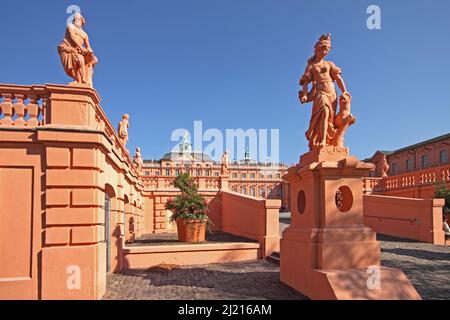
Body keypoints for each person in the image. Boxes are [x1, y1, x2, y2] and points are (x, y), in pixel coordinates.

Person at [299, 33, 351, 150]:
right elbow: (306, 83)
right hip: (320, 93)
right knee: (324, 112)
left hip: (331, 92)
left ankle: (327, 141)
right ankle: (322, 141)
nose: (325, 52)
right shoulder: (311, 67)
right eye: (323, 49)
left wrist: (345, 91)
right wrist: (305, 95)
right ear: (317, 49)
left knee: (329, 120)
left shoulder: (329, 64)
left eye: (327, 50)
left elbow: (338, 78)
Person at [58, 12, 98, 86]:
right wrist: (81, 48)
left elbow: (88, 46)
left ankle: (83, 79)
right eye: (75, 19)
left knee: (81, 62)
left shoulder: (84, 34)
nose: (76, 21)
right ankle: (77, 79)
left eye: (78, 19)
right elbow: (73, 37)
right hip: (67, 48)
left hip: (77, 50)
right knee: (73, 64)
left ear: (82, 21)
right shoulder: (70, 26)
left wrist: (91, 52)